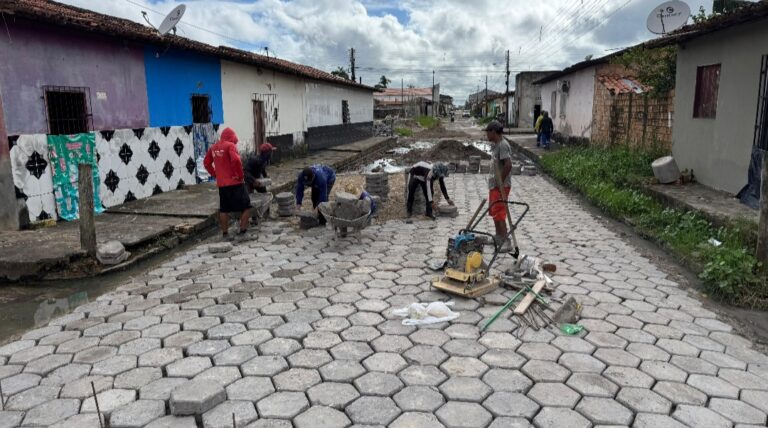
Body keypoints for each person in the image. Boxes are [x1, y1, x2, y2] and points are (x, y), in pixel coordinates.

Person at [203, 127, 252, 241]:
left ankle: (225, 234)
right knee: (246, 207)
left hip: (222, 184)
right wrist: (240, 176)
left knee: (224, 209)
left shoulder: (213, 147)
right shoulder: (230, 146)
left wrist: (215, 174)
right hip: (235, 182)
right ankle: (242, 232)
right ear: (231, 137)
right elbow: (236, 160)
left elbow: (206, 163)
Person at [485, 120, 514, 252]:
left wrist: (500, 183)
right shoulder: (496, 145)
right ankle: (498, 237)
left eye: (488, 132)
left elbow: (508, 165)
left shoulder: (503, 145)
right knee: (495, 211)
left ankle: (506, 241)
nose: (486, 134)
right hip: (495, 185)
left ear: (493, 132)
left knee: (500, 212)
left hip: (501, 186)